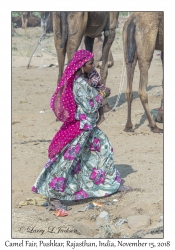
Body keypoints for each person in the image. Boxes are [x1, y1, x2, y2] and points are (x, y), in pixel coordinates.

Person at [31, 50, 131, 211]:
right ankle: (54, 195)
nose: (94, 66)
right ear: (81, 65)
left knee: (104, 150)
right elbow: (89, 107)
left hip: (89, 126)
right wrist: (103, 94)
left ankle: (111, 185)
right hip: (82, 128)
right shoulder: (80, 84)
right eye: (91, 63)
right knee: (67, 160)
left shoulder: (84, 80)